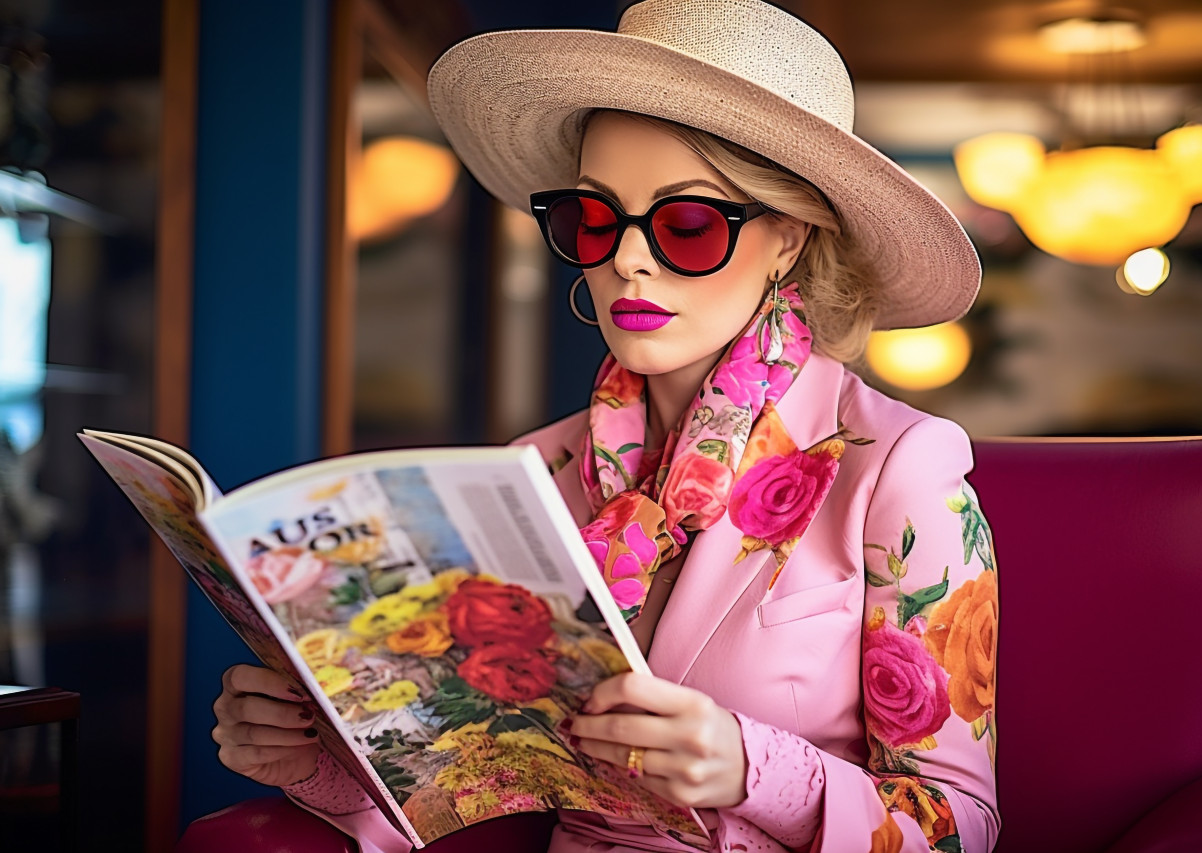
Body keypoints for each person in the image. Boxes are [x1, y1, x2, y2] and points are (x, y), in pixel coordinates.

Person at [210, 1, 1000, 851]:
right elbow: (474, 787)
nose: (626, 257)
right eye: (592, 218)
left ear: (790, 236)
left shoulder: (900, 471)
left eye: (686, 223)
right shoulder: (530, 474)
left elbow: (963, 830)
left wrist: (752, 767)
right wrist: (302, 758)